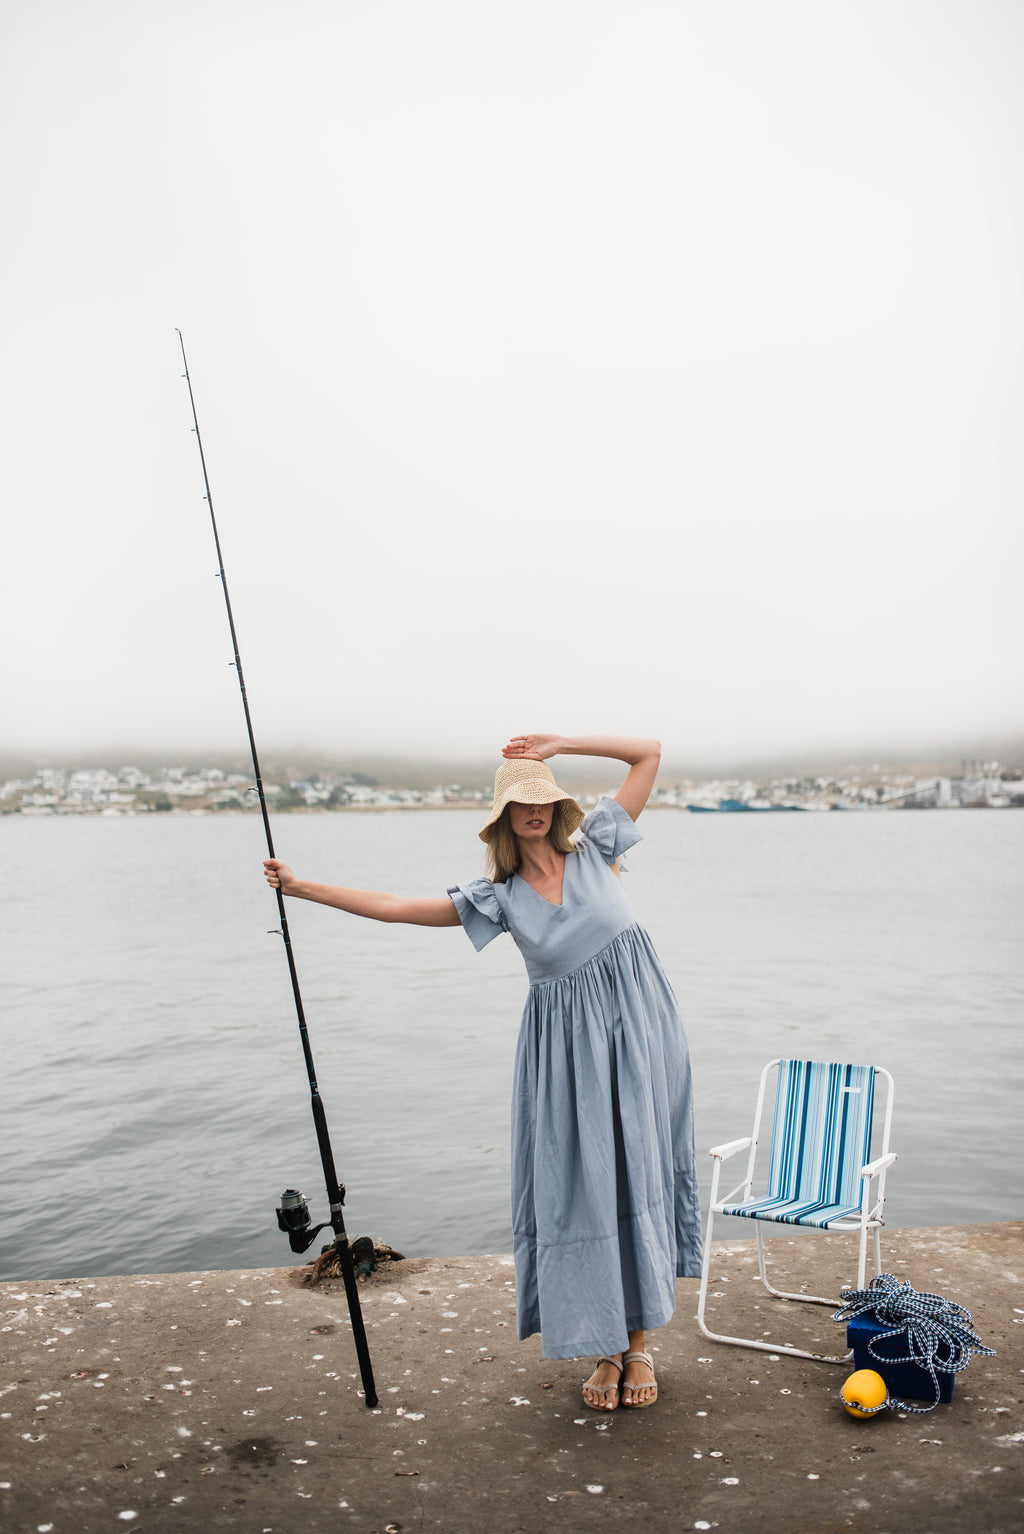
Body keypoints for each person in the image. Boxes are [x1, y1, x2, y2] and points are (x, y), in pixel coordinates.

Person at [264, 733, 701, 1411]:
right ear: (503, 818)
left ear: (557, 807)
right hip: (566, 1061)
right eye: (521, 803)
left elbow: (648, 754)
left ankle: (638, 1344)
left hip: (642, 1039)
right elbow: (396, 906)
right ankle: (605, 1348)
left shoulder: (598, 848)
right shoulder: (498, 896)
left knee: (635, 1174)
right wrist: (302, 888)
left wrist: (560, 743)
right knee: (582, 1190)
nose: (535, 811)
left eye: (544, 798)